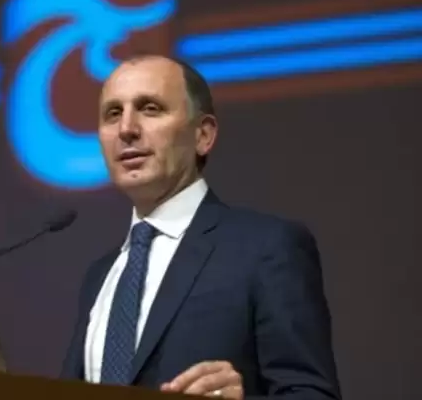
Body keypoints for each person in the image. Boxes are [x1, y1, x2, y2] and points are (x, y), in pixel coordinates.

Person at [59, 54, 342, 399]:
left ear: (203, 135)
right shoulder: (100, 276)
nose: (126, 129)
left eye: (150, 108)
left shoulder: (267, 249)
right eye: (113, 113)